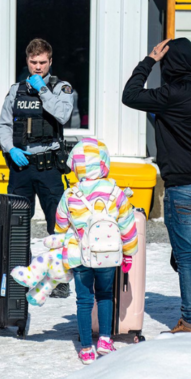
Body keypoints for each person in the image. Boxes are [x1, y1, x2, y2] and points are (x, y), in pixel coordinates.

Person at [122, 38, 191, 334]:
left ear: (170, 64)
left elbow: (130, 96)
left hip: (183, 187)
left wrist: (148, 61)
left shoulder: (170, 95)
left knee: (186, 257)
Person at [0, 38, 76, 298]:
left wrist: (43, 90)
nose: (38, 67)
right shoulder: (16, 90)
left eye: (43, 62)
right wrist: (10, 149)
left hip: (49, 165)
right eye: (33, 62)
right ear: (27, 62)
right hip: (21, 166)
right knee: (17, 222)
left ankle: (61, 279)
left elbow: (63, 116)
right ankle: (24, 274)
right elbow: (4, 125)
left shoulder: (60, 88)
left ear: (50, 62)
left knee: (58, 224)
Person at [53, 138, 138, 364]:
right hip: (107, 255)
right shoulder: (115, 191)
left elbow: (60, 225)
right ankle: (105, 340)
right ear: (103, 163)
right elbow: (128, 225)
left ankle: (86, 348)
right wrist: (128, 253)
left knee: (83, 300)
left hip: (80, 255)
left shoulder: (71, 194)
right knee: (104, 296)